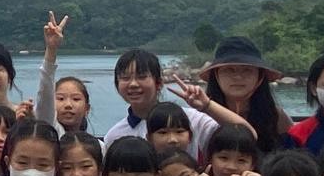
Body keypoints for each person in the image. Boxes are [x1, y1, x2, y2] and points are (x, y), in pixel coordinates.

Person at [102, 48, 254, 159]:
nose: (133, 84)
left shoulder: (190, 119)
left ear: (158, 83)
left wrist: (207, 106)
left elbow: (247, 134)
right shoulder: (114, 136)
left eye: (142, 77)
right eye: (125, 78)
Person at [199, 37, 291, 154]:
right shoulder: (201, 116)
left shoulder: (276, 117)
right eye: (229, 70)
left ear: (260, 76)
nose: (238, 77)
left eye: (247, 70)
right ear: (216, 75)